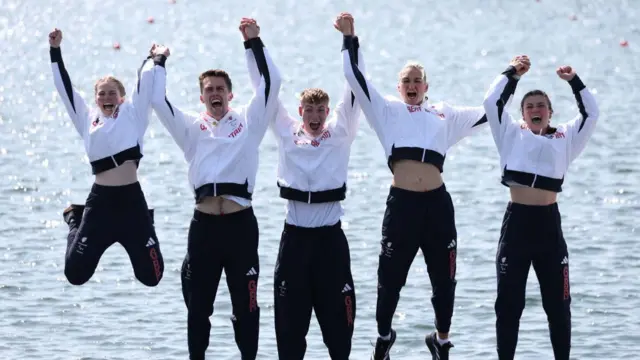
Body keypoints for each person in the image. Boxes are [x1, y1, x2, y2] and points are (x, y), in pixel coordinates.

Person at [341, 22, 489, 360]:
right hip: (403, 205)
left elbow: (490, 113)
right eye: (406, 80)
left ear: (426, 86)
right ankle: (383, 337)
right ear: (398, 86)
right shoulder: (387, 110)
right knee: (389, 279)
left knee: (444, 279)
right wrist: (350, 38)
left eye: (417, 80)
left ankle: (441, 340)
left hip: (437, 206)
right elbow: (355, 78)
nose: (411, 85)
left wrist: (512, 75)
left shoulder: (444, 114)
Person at [150, 18, 281, 360]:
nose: (215, 93)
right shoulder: (191, 128)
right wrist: (158, 61)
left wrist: (253, 43)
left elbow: (271, 83)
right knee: (198, 308)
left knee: (247, 306)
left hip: (240, 227)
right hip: (204, 228)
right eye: (209, 89)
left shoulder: (248, 124)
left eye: (220, 88)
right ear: (201, 96)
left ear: (230, 94)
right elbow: (155, 98)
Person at [240, 13, 362, 360]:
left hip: (330, 243)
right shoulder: (286, 130)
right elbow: (264, 88)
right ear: (300, 111)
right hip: (294, 241)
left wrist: (349, 38)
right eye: (309, 109)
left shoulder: (340, 132)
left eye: (321, 110)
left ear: (328, 112)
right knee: (290, 337)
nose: (315, 116)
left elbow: (354, 85)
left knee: (339, 335)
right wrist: (252, 42)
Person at [482, 55, 599, 360]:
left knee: (558, 305)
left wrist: (575, 82)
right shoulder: (510, 135)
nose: (536, 109)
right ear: (522, 114)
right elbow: (491, 101)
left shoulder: (566, 139)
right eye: (530, 106)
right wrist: (512, 74)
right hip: (517, 225)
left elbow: (591, 113)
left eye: (541, 106)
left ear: (550, 113)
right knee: (508, 305)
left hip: (549, 227)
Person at [50, 28, 166, 288]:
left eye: (112, 92)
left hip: (131, 201)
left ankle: (147, 222)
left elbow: (145, 84)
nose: (106, 97)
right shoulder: (86, 118)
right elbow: (63, 86)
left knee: (152, 277)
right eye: (101, 93)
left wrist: (154, 58)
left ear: (122, 97)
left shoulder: (134, 115)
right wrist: (55, 50)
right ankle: (75, 221)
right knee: (75, 275)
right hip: (100, 202)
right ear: (95, 99)